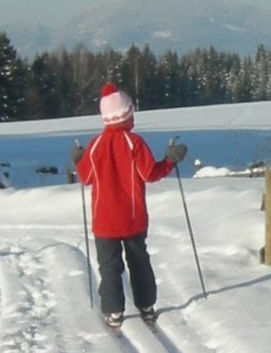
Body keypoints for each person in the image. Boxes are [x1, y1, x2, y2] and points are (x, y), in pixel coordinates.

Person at [74, 86, 187, 329]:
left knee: (109, 268)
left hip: (104, 222)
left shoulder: (95, 146)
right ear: (125, 116)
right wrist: (170, 160)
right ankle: (146, 306)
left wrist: (78, 160)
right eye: (131, 113)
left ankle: (114, 311)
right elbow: (150, 173)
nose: (133, 118)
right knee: (139, 262)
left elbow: (85, 178)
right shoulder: (134, 142)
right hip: (133, 219)